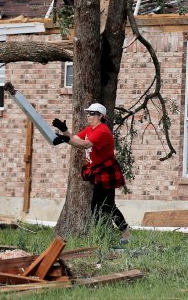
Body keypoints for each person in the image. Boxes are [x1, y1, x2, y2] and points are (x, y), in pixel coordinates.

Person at [52, 103, 131, 244]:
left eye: (92, 113)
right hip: (98, 171)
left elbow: (84, 145)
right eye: (87, 113)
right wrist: (64, 131)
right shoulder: (90, 129)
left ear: (100, 116)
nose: (88, 115)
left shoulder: (102, 131)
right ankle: (104, 235)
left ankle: (123, 235)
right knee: (98, 206)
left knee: (107, 206)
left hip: (106, 171)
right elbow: (75, 139)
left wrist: (65, 139)